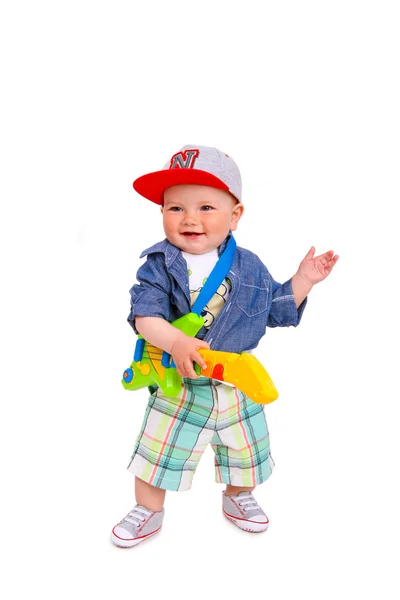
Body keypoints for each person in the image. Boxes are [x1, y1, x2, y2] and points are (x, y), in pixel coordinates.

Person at [111, 145, 338, 547]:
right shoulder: (158, 264)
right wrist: (177, 342)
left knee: (245, 451)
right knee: (157, 452)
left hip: (236, 380)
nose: (190, 219)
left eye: (206, 208)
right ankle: (148, 508)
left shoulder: (248, 265)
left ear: (235, 216)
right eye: (175, 208)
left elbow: (276, 310)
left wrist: (303, 280)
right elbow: (144, 317)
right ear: (161, 213)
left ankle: (238, 497)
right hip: (180, 382)